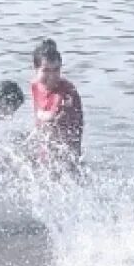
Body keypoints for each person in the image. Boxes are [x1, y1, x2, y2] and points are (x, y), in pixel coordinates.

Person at [30, 39, 84, 174]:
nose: (52, 76)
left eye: (56, 70)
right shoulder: (35, 85)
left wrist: (41, 116)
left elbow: (50, 117)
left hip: (66, 151)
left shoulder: (66, 91)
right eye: (46, 70)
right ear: (36, 69)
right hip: (46, 145)